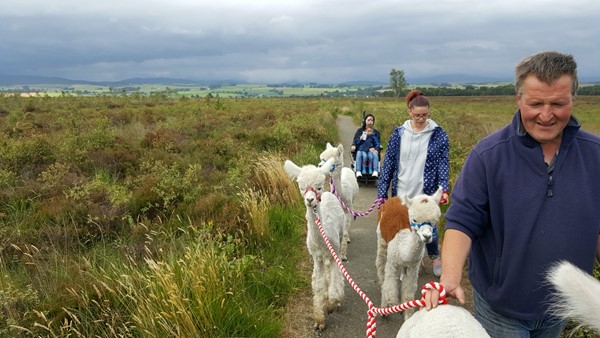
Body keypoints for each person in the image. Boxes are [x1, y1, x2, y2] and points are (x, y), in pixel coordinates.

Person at [424, 51, 600, 338]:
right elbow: (462, 221)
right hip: (501, 310)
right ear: (518, 99)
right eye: (535, 103)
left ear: (573, 99)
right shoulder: (488, 155)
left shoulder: (595, 155)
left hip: (561, 309)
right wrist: (451, 277)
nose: (546, 115)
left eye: (558, 103)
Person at [377, 89, 450, 277]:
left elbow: (443, 162)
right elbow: (388, 164)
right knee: (403, 226)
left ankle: (434, 257)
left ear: (429, 112)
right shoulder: (399, 134)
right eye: (417, 115)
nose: (421, 118)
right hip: (403, 190)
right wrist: (382, 193)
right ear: (410, 112)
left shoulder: (438, 134)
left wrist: (444, 188)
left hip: (426, 190)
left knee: (428, 225)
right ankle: (404, 261)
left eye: (424, 115)